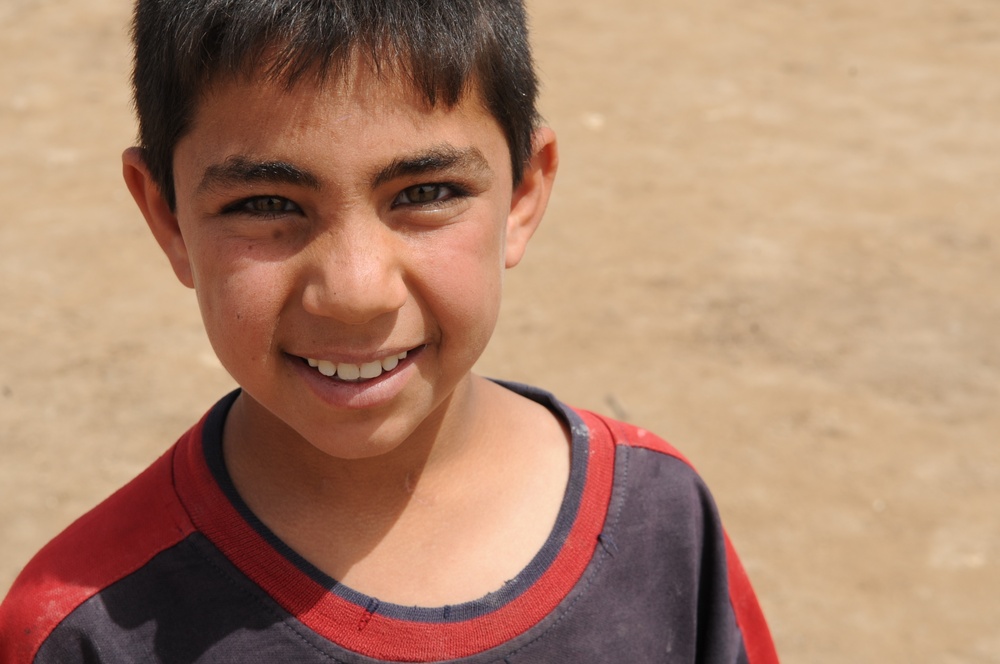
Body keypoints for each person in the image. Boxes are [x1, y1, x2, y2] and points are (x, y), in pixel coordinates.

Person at [0, 0, 778, 661]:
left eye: (427, 191)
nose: (355, 292)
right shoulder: (86, 626)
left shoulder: (659, 521)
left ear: (523, 193)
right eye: (266, 204)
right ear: (165, 215)